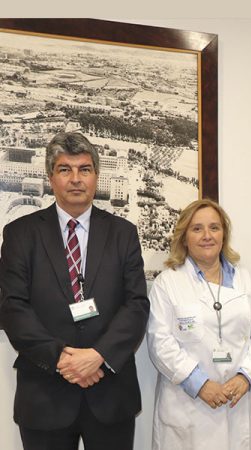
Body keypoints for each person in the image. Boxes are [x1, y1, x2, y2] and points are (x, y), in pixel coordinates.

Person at [0, 132, 149, 449]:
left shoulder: (123, 233)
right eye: (65, 169)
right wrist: (61, 359)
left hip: (110, 391)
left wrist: (98, 356)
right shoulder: (20, 234)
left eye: (85, 169)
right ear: (50, 177)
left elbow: (136, 304)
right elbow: (13, 307)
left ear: (96, 175)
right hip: (44, 392)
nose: (76, 179)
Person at [146, 199, 251, 449]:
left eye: (214, 228)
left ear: (224, 235)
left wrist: (245, 376)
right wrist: (200, 383)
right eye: (197, 229)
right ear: (184, 237)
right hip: (187, 405)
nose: (207, 236)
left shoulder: (245, 281)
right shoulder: (168, 283)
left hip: (235, 399)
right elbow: (160, 343)